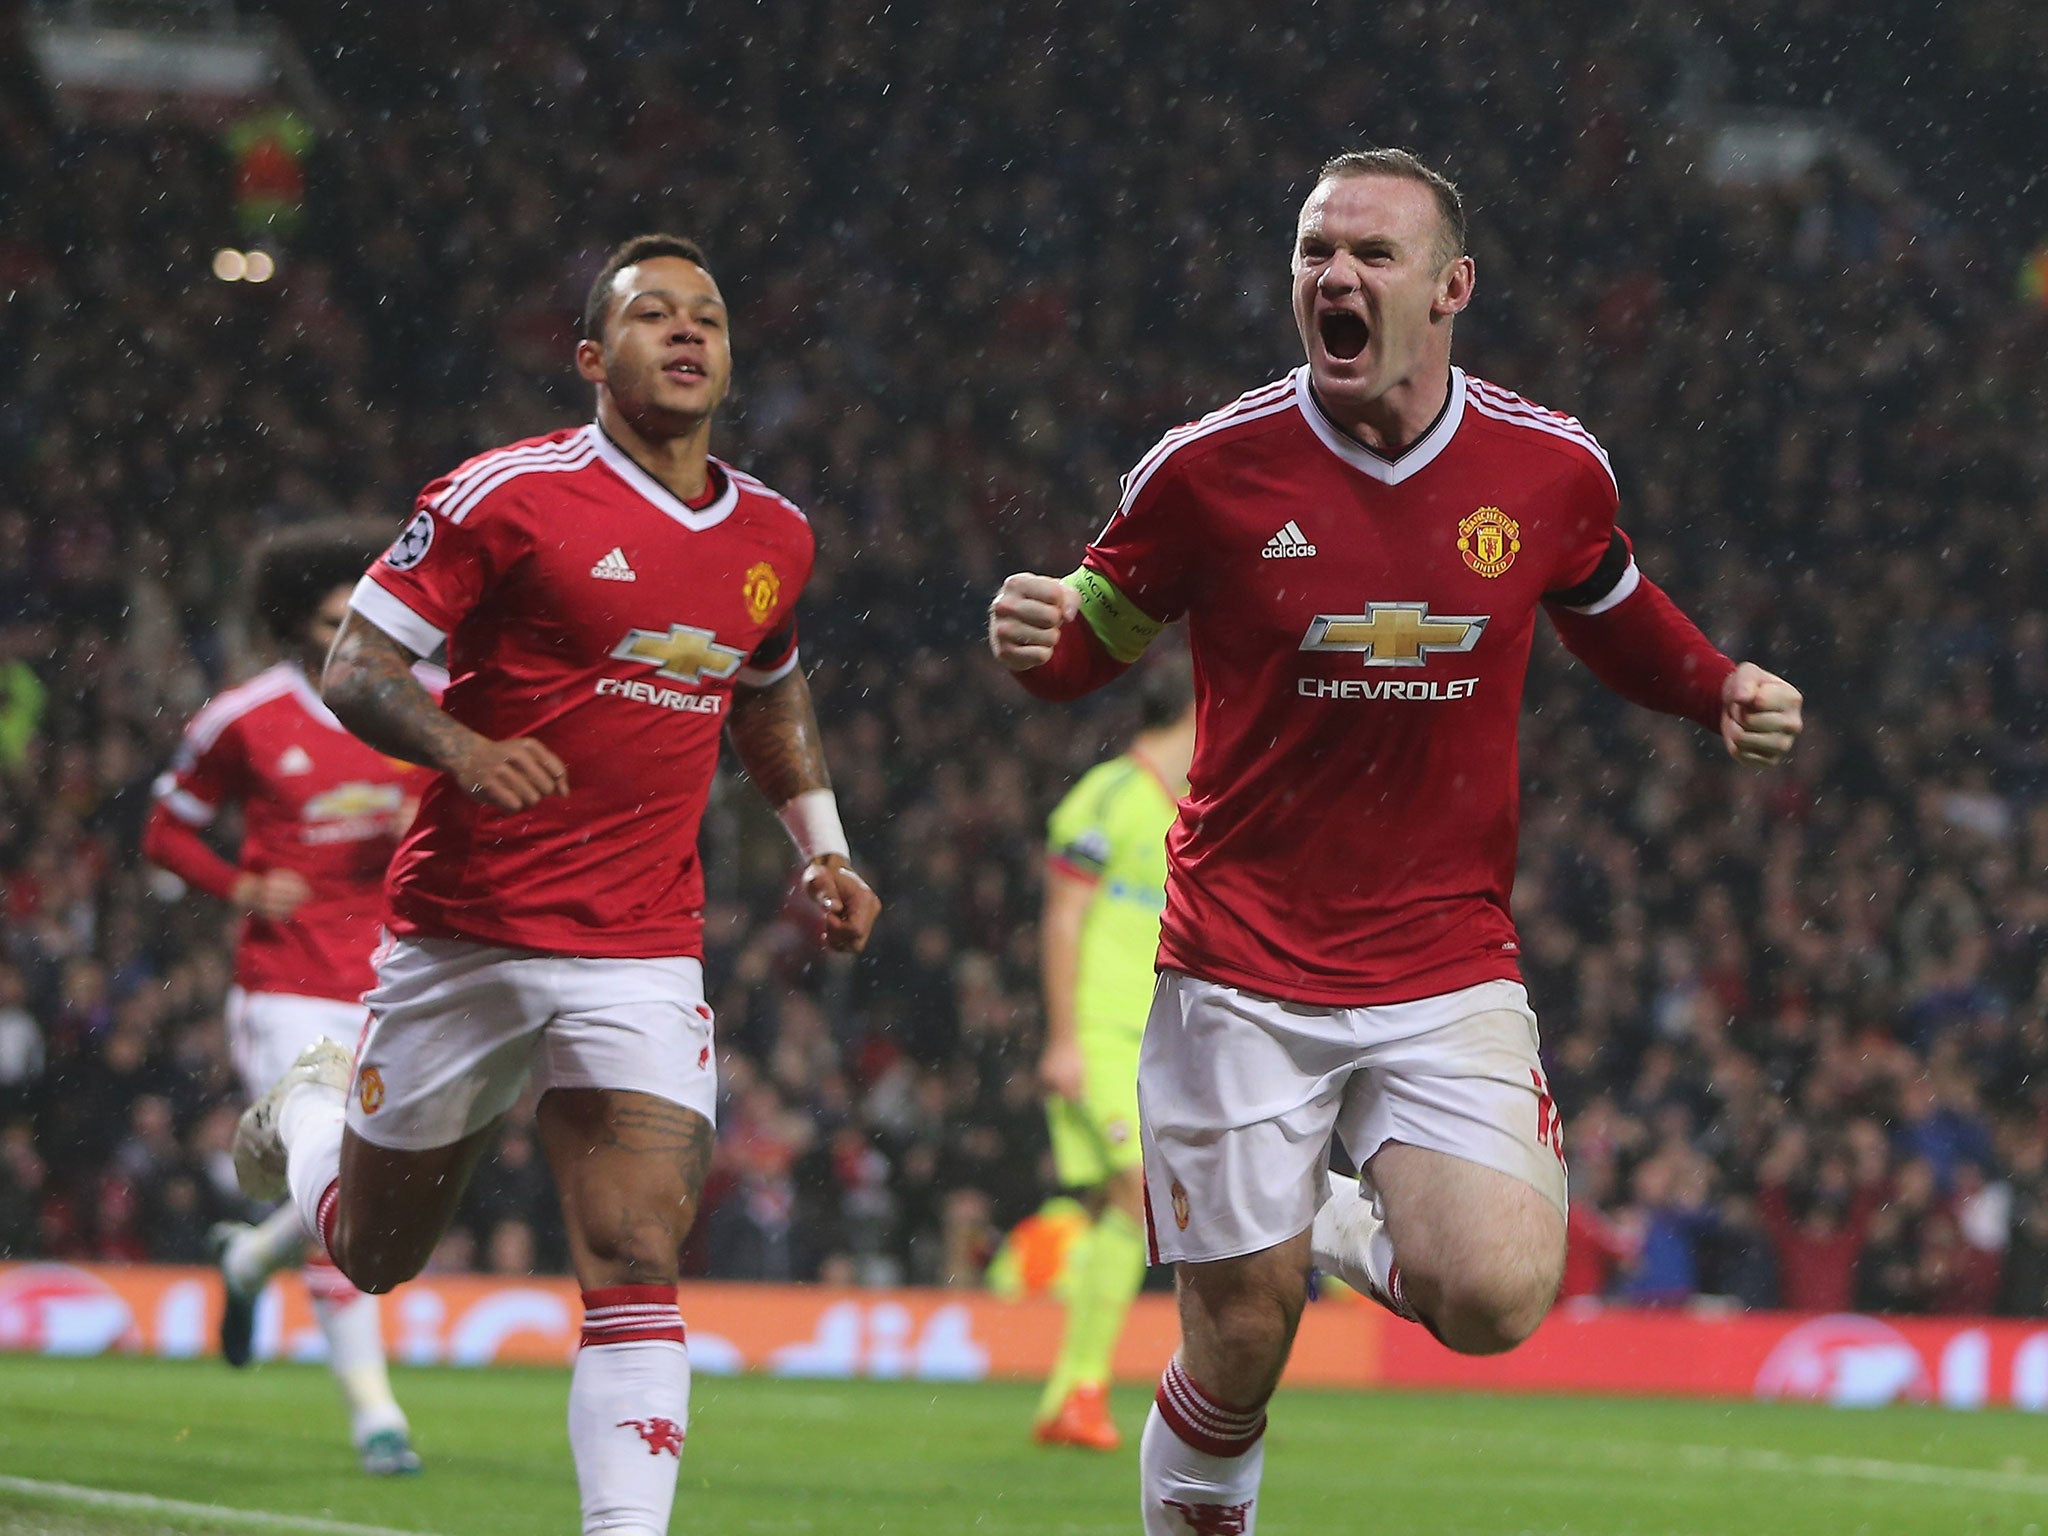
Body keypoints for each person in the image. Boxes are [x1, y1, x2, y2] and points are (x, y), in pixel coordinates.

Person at [987, 148, 1804, 1534]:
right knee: (1239, 1340)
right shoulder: (1205, 470)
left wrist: (1715, 682)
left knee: (1492, 1300)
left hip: (1443, 959)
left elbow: (1612, 609)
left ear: (1450, 288)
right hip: (1238, 963)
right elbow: (1092, 644)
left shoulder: (1547, 468)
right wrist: (1044, 641)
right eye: (1315, 253)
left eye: (1371, 254)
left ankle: (1338, 1215)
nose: (1337, 278)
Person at [233, 233, 882, 1536]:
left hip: (642, 944)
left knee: (637, 1252)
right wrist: (465, 748)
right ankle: (309, 1118)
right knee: (373, 1253)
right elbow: (355, 666)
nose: (689, 333)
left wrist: (825, 842)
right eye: (654, 316)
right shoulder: (501, 497)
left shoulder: (773, 535)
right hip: (464, 932)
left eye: (707, 315)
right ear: (594, 358)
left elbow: (766, 687)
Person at [142, 523, 426, 1476]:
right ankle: (377, 1416)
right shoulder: (245, 718)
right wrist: (239, 888)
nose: (348, 633)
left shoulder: (413, 711)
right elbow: (166, 830)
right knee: (339, 1170)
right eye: (329, 618)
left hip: (395, 984)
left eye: (361, 615)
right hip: (287, 989)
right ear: (289, 624)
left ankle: (249, 1260)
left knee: (383, 1187)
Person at [1033, 654, 1195, 1451]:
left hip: (1160, 1047)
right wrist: (1064, 1039)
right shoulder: (1110, 796)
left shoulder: (1196, 812)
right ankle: (1081, 1393)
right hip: (1100, 1039)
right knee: (1139, 1198)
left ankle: (1070, 1396)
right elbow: (1063, 919)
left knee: (1119, 1212)